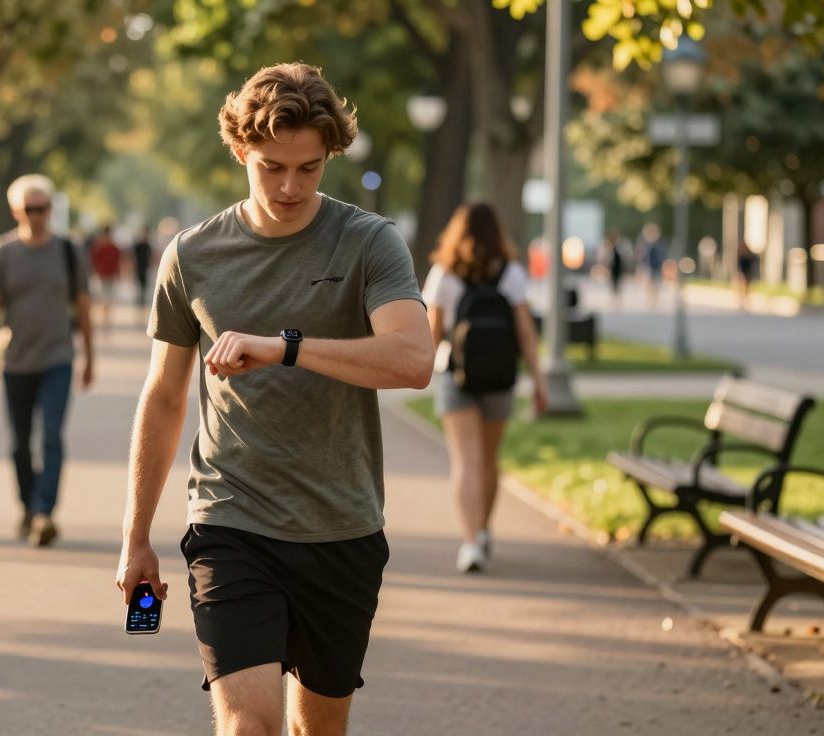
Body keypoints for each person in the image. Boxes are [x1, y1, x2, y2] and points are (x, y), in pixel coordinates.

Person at [115, 62, 433, 736]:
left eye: (309, 169)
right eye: (270, 168)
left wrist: (286, 346)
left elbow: (413, 361)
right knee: (247, 726)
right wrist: (135, 535)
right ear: (240, 153)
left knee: (315, 731)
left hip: (339, 524)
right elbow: (165, 395)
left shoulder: (369, 242)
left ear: (329, 156)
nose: (290, 187)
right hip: (231, 520)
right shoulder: (193, 256)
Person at [421, 203, 547, 574]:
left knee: (466, 460)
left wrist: (419, 370)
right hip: (500, 377)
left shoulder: (444, 273)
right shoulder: (511, 273)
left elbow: (434, 331)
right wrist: (539, 381)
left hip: (455, 376)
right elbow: (525, 332)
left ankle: (472, 541)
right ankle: (484, 530)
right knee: (489, 459)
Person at [0, 174, 94, 547]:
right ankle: (27, 506)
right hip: (16, 360)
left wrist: (90, 356)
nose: (37, 215)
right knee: (19, 443)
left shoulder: (67, 250)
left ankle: (44, 512)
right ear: (16, 211)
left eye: (43, 208)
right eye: (30, 209)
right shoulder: (2, 252)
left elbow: (83, 306)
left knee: (53, 437)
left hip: (58, 357)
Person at [89, 225, 121, 327]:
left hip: (110, 274)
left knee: (108, 295)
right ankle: (104, 315)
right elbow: (94, 260)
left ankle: (106, 316)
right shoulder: (100, 247)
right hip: (103, 274)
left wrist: (118, 273)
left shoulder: (114, 248)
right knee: (104, 295)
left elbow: (117, 261)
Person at [638, 223, 666, 307]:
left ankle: (654, 299)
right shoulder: (645, 245)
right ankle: (650, 299)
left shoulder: (658, 245)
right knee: (648, 284)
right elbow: (642, 257)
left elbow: (661, 256)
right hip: (647, 268)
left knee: (655, 284)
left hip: (656, 267)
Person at [131, 225, 154, 315]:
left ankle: (142, 306)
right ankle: (139, 306)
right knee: (139, 288)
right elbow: (133, 258)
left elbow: (151, 257)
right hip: (138, 269)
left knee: (144, 288)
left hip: (146, 269)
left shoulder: (148, 245)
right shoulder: (138, 245)